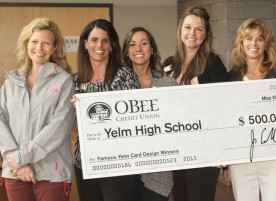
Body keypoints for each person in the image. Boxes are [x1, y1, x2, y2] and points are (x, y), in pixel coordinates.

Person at [0, 18, 75, 201]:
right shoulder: (12, 81)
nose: (39, 47)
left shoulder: (64, 81)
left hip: (52, 173)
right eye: (34, 41)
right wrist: (16, 160)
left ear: (54, 48)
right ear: (26, 44)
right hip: (16, 173)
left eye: (46, 43)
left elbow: (60, 126)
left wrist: (21, 157)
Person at [226, 18, 276, 201]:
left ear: (266, 44)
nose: (254, 43)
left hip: (274, 155)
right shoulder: (231, 77)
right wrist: (226, 163)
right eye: (248, 38)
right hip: (241, 157)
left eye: (259, 38)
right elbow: (227, 120)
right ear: (241, 43)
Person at [163, 6, 229, 201]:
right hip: (176, 147)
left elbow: (225, 108)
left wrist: (224, 154)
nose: (192, 34)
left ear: (206, 34)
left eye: (199, 29)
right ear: (180, 30)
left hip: (205, 148)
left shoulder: (212, 63)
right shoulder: (169, 63)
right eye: (188, 27)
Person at [71, 19, 140, 201]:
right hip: (85, 160)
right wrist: (76, 112)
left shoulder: (125, 76)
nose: (99, 45)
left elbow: (136, 121)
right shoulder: (75, 81)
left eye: (105, 40)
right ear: (85, 44)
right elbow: (76, 129)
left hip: (119, 160)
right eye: (94, 40)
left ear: (112, 45)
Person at [122, 27, 176, 201]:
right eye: (132, 44)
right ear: (126, 51)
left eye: (143, 44)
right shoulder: (116, 83)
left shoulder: (167, 83)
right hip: (124, 168)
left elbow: (175, 123)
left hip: (158, 171)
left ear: (152, 49)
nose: (138, 49)